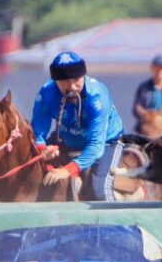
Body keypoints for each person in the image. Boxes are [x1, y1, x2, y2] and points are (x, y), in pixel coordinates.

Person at [32, 51, 124, 201]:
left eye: (76, 80)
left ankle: (115, 223)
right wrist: (42, 149)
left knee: (99, 190)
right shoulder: (46, 93)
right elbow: (38, 132)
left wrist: (68, 170)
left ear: (83, 76)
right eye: (65, 81)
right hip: (66, 139)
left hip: (107, 142)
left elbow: (96, 145)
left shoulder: (97, 96)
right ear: (55, 81)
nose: (73, 86)